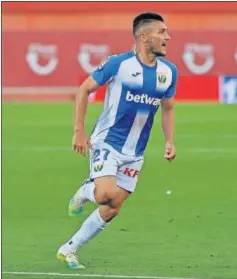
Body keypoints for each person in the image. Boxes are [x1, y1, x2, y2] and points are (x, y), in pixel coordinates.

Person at [57, 12, 178, 268]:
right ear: (144, 37)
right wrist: (79, 131)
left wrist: (169, 141)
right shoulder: (119, 64)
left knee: (113, 207)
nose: (167, 37)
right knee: (105, 195)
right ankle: (84, 190)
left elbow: (167, 108)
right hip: (107, 142)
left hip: (136, 152)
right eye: (162, 32)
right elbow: (84, 89)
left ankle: (69, 249)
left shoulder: (169, 72)